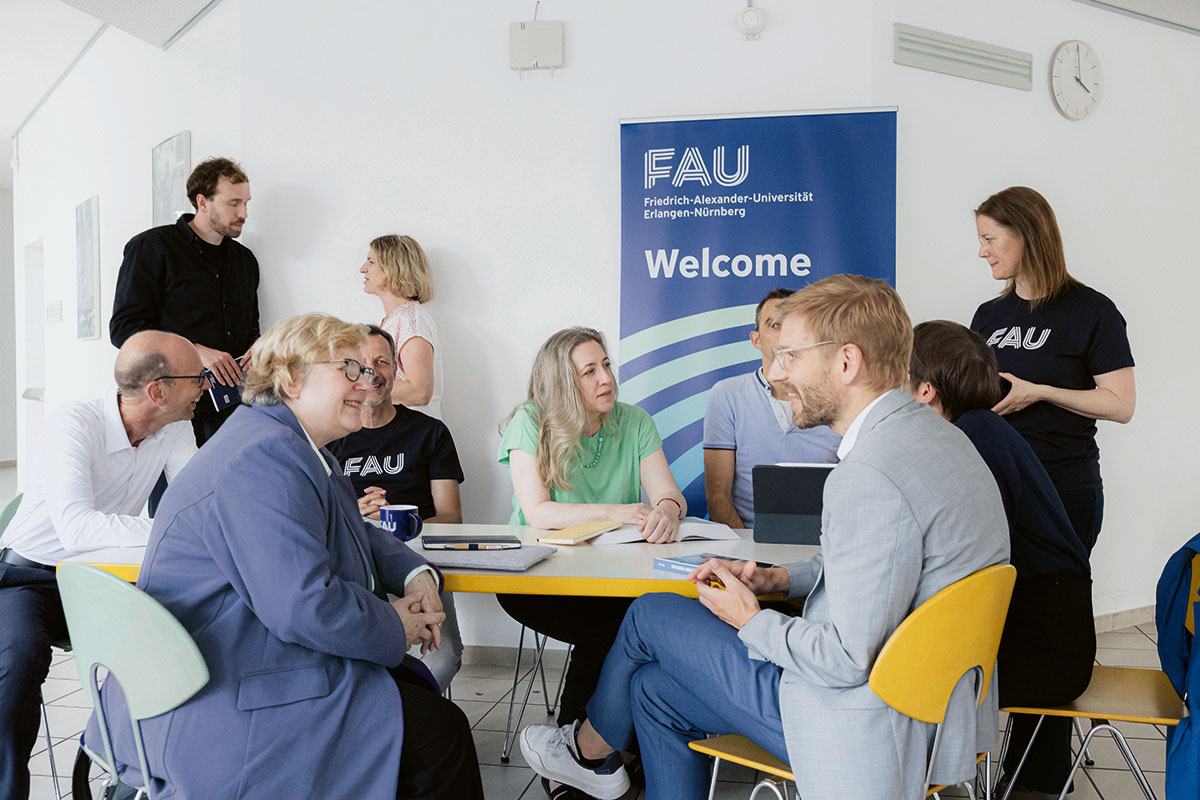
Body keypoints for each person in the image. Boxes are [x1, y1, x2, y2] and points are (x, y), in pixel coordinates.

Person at [518, 275, 1009, 800]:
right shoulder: (945, 442)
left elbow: (843, 659)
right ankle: (591, 754)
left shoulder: (869, 476)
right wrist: (779, 576)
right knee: (651, 690)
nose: (776, 372)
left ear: (846, 363)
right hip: (937, 716)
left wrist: (750, 619)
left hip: (863, 726)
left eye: (790, 356)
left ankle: (585, 752)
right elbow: (890, 569)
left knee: (650, 613)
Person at [85, 313, 484, 799]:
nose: (370, 381)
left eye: (371, 369)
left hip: (246, 656)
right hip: (228, 692)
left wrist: (418, 574)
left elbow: (353, 528)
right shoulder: (262, 456)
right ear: (291, 378)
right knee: (439, 736)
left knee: (428, 719)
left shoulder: (288, 443)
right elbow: (304, 604)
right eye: (350, 369)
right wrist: (394, 624)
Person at [0, 331, 202, 800]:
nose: (205, 388)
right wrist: (171, 531)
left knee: (173, 646)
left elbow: (197, 501)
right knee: (18, 662)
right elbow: (77, 528)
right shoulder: (74, 422)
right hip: (30, 577)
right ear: (159, 390)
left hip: (103, 578)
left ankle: (128, 775)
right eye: (198, 378)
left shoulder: (174, 425)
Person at [498, 326, 686, 799]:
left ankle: (588, 752)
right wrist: (615, 511)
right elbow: (538, 511)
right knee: (617, 626)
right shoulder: (529, 420)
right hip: (535, 578)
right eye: (590, 371)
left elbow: (669, 495)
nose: (606, 378)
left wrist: (666, 509)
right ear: (564, 382)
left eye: (606, 365)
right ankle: (586, 753)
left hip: (610, 580)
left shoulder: (636, 421)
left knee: (627, 620)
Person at [910, 320, 1095, 799]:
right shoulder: (980, 427)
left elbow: (974, 551)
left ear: (926, 390)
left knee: (902, 670)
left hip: (1047, 649)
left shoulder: (977, 433)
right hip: (1048, 630)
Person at [970, 186, 1135, 554]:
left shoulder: (1093, 311)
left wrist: (1040, 392)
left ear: (1026, 234)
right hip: (996, 487)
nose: (982, 251)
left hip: (1063, 487)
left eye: (989, 239)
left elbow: (1121, 405)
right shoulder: (987, 316)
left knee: (1059, 607)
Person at [328, 324, 465, 691]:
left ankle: (408, 716)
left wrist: (399, 521)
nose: (372, 373)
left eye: (382, 362)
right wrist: (356, 514)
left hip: (417, 557)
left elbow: (451, 515)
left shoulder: (431, 433)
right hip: (354, 561)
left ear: (395, 370)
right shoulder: (332, 438)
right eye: (361, 363)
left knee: (444, 652)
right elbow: (317, 521)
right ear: (347, 371)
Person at [110, 157, 260, 446]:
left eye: (246, 203)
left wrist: (258, 347)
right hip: (172, 412)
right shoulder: (152, 248)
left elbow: (250, 327)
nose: (244, 213)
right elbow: (124, 329)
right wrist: (193, 350)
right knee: (175, 492)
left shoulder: (245, 261)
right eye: (234, 203)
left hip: (235, 409)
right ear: (202, 202)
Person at [703, 288, 840, 527]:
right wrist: (748, 553)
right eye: (775, 325)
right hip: (748, 542)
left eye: (792, 325)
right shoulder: (727, 395)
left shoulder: (836, 397)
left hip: (823, 543)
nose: (785, 334)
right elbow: (717, 497)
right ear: (756, 339)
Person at [361, 234, 444, 418]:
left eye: (371, 262)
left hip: (415, 437)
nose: (362, 269)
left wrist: (360, 385)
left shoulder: (410, 320)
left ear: (392, 268)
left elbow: (419, 391)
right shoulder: (395, 319)